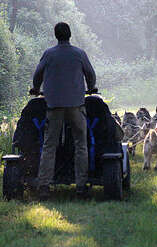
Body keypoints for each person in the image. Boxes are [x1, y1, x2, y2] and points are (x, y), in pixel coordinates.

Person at [30, 22, 97, 200]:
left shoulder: (48, 54)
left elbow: (38, 74)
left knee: (49, 145)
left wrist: (36, 89)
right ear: (70, 35)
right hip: (76, 104)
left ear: (56, 35)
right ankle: (81, 187)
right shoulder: (79, 53)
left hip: (54, 105)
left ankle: (44, 186)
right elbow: (90, 74)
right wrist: (91, 87)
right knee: (81, 144)